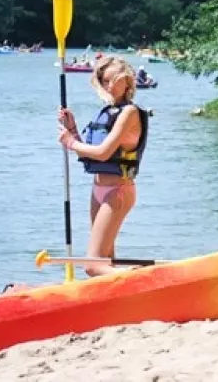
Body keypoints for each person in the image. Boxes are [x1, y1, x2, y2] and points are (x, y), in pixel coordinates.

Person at [57, 56, 149, 277]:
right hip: (98, 190)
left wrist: (70, 142)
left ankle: (139, 278)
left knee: (92, 265)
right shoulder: (108, 112)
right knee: (106, 261)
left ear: (127, 81)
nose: (109, 86)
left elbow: (104, 152)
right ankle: (121, 293)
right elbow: (90, 154)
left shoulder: (129, 112)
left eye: (114, 80)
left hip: (118, 191)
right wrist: (73, 130)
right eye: (105, 81)